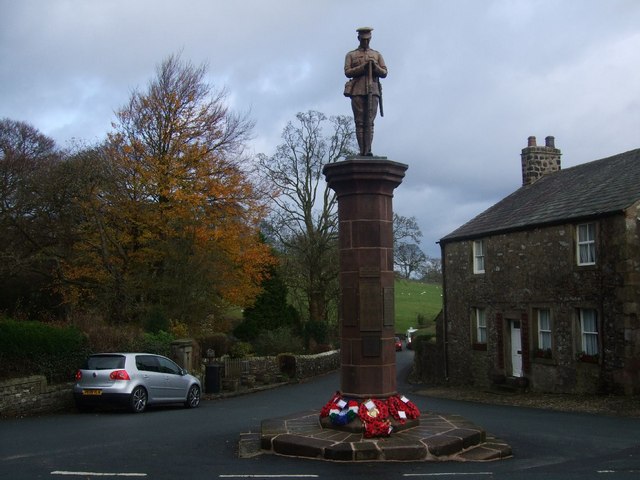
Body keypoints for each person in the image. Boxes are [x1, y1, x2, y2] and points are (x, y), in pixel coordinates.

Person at [344, 27, 387, 156]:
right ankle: (362, 151)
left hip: (372, 90)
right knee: (359, 122)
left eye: (368, 39)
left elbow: (384, 72)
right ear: (359, 39)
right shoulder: (351, 55)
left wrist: (375, 67)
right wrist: (363, 67)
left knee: (370, 122)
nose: (366, 42)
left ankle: (368, 150)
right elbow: (347, 72)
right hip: (357, 90)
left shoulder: (377, 54)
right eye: (363, 40)